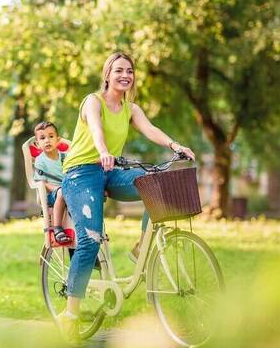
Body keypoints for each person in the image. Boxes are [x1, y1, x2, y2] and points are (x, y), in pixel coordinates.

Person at [56, 52, 195, 339]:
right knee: (89, 241)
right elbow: (95, 127)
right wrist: (104, 151)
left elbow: (150, 129)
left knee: (156, 183)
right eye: (118, 70)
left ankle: (141, 245)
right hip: (80, 173)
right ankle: (71, 313)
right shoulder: (93, 101)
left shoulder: (131, 109)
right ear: (107, 74)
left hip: (110, 171)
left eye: (129, 71)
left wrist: (175, 145)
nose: (125, 75)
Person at [33, 121, 72, 245]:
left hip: (69, 190)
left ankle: (86, 238)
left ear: (58, 140)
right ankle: (58, 228)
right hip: (52, 194)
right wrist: (59, 188)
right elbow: (42, 183)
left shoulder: (66, 157)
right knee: (62, 191)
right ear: (37, 144)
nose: (47, 140)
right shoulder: (40, 161)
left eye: (51, 136)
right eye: (42, 138)